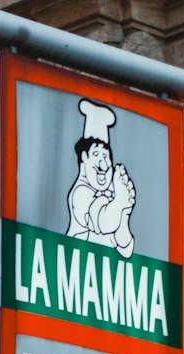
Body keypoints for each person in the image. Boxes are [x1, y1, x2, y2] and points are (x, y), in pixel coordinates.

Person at [67, 98, 135, 258]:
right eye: (96, 154)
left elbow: (125, 249)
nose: (103, 164)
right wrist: (120, 201)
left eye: (106, 156)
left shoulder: (110, 197)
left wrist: (124, 211)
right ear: (84, 157)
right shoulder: (80, 192)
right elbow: (102, 223)